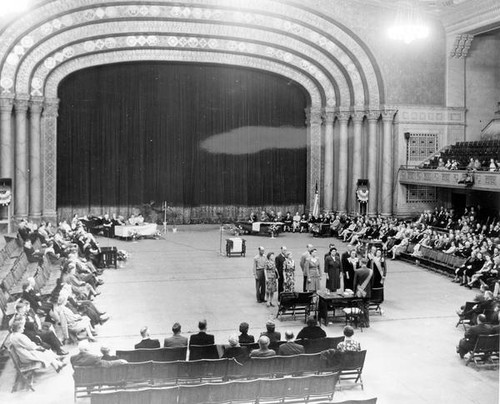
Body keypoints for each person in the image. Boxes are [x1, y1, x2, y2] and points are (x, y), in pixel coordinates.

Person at [353, 258, 373, 328]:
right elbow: (372, 283)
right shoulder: (370, 271)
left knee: (360, 308)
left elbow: (355, 283)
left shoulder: (357, 271)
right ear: (366, 263)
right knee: (366, 308)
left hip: (360, 292)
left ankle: (361, 323)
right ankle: (367, 323)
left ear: (361, 263)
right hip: (368, 292)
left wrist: (354, 291)